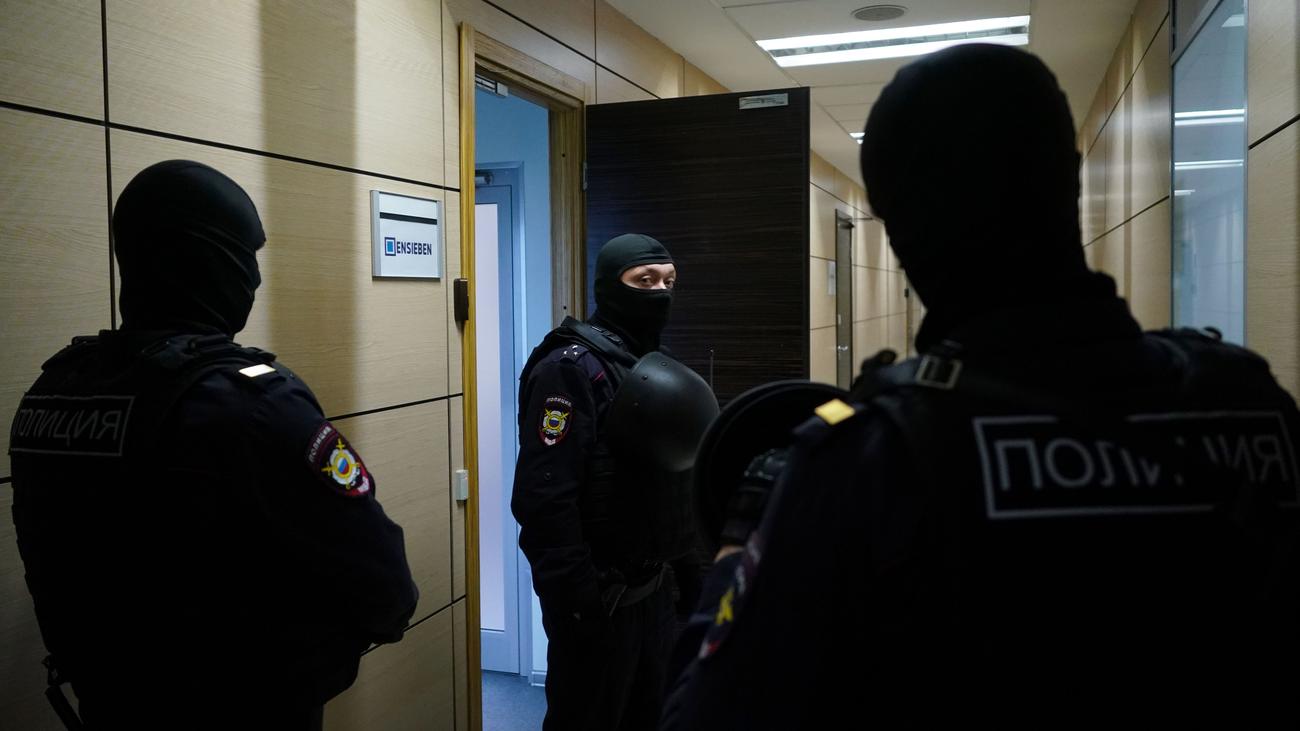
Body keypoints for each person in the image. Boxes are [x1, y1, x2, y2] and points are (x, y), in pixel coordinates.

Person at [661, 44, 1300, 729]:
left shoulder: (871, 460)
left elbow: (704, 712)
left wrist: (740, 545)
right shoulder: (1249, 401)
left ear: (898, 226)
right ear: (1071, 179)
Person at [9, 160, 418, 729]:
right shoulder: (255, 405)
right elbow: (386, 588)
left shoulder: (52, 393)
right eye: (247, 258)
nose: (255, 279)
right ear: (211, 259)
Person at [512, 234, 716, 730]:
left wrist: (691, 581)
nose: (661, 291)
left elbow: (670, 479)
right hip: (599, 601)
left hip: (654, 591)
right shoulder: (569, 370)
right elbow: (545, 501)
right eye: (645, 280)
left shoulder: (646, 366)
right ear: (609, 286)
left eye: (669, 281)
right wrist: (578, 608)